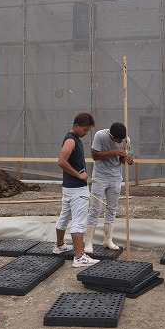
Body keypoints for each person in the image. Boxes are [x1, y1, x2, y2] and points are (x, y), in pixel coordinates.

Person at [53, 112, 100, 267]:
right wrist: (79, 175)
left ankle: (59, 246)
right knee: (78, 223)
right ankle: (79, 257)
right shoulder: (71, 140)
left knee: (64, 217)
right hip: (76, 189)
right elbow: (61, 161)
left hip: (68, 188)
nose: (86, 133)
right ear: (77, 126)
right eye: (85, 130)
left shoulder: (74, 139)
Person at [84, 122, 134, 254]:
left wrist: (127, 159)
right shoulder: (100, 135)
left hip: (116, 178)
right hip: (100, 177)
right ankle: (88, 241)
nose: (119, 142)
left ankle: (108, 240)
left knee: (112, 209)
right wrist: (114, 152)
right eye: (117, 140)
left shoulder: (126, 140)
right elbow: (95, 156)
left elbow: (124, 161)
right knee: (95, 209)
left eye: (121, 140)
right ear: (111, 136)